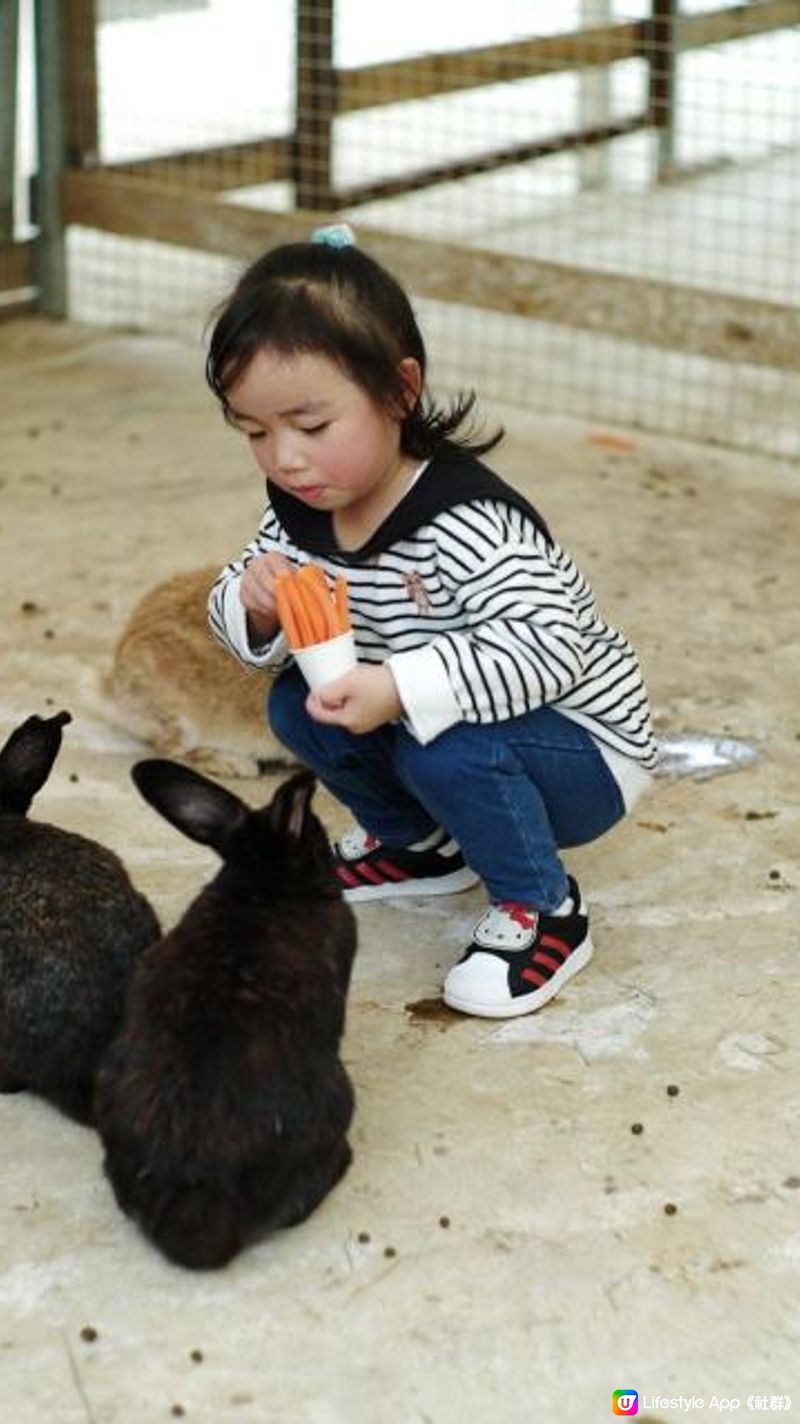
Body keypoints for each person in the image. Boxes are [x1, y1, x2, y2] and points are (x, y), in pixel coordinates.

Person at [206, 224, 658, 1020]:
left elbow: (550, 649)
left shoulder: (465, 523)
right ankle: (415, 844)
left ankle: (542, 907)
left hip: (581, 748)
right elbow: (238, 602)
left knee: (448, 744)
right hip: (436, 719)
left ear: (399, 391)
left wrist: (400, 684)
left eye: (311, 427)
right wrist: (252, 599)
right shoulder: (302, 509)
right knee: (292, 702)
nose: (286, 459)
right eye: (255, 433)